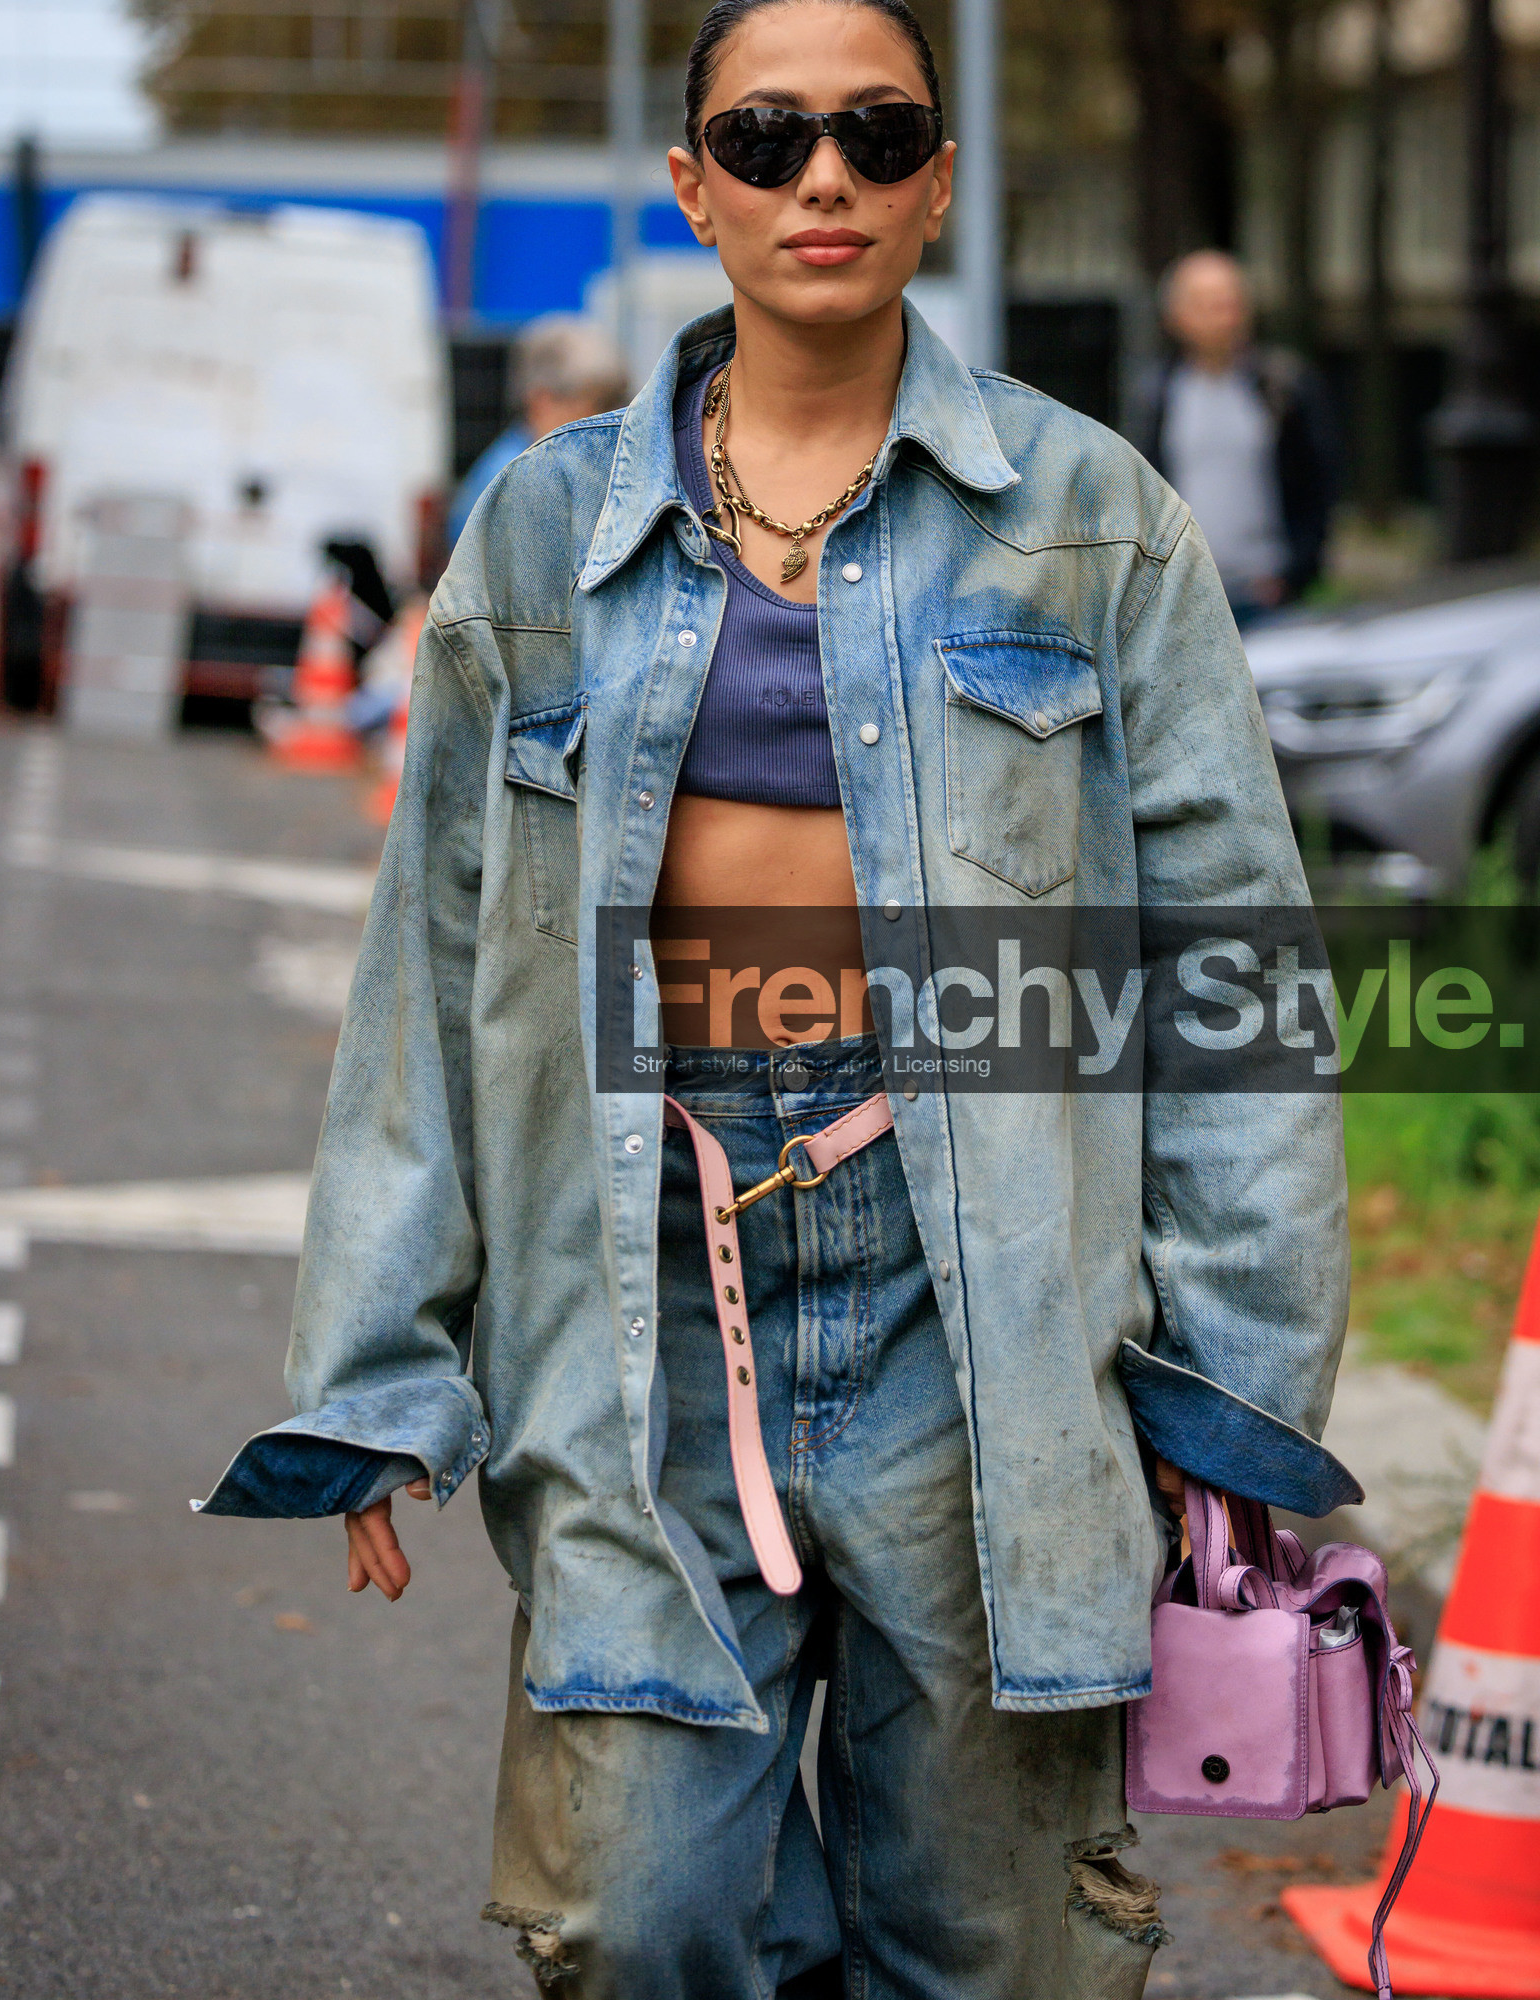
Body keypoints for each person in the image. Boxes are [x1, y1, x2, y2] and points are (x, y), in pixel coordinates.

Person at [197, 3, 1351, 1994]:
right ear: (690, 184)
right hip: (643, 1280)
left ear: (934, 182)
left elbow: (1226, 964)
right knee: (642, 1921)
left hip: (977, 1288)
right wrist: (381, 1360)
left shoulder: (1092, 521)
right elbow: (433, 955)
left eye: (873, 130)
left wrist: (1227, 1389)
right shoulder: (542, 528)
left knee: (984, 1948)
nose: (819, 174)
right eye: (764, 134)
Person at [1133, 248, 1339, 629]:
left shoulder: (1282, 387)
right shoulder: (1159, 395)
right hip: (1185, 599)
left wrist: (1293, 574)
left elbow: (1318, 486)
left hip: (1268, 596)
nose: (1225, 316)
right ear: (1176, 316)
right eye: (1208, 304)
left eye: (1232, 303)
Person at [445, 315, 629, 546]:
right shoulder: (515, 481)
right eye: (599, 404)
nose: (611, 419)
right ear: (542, 402)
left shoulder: (544, 464)